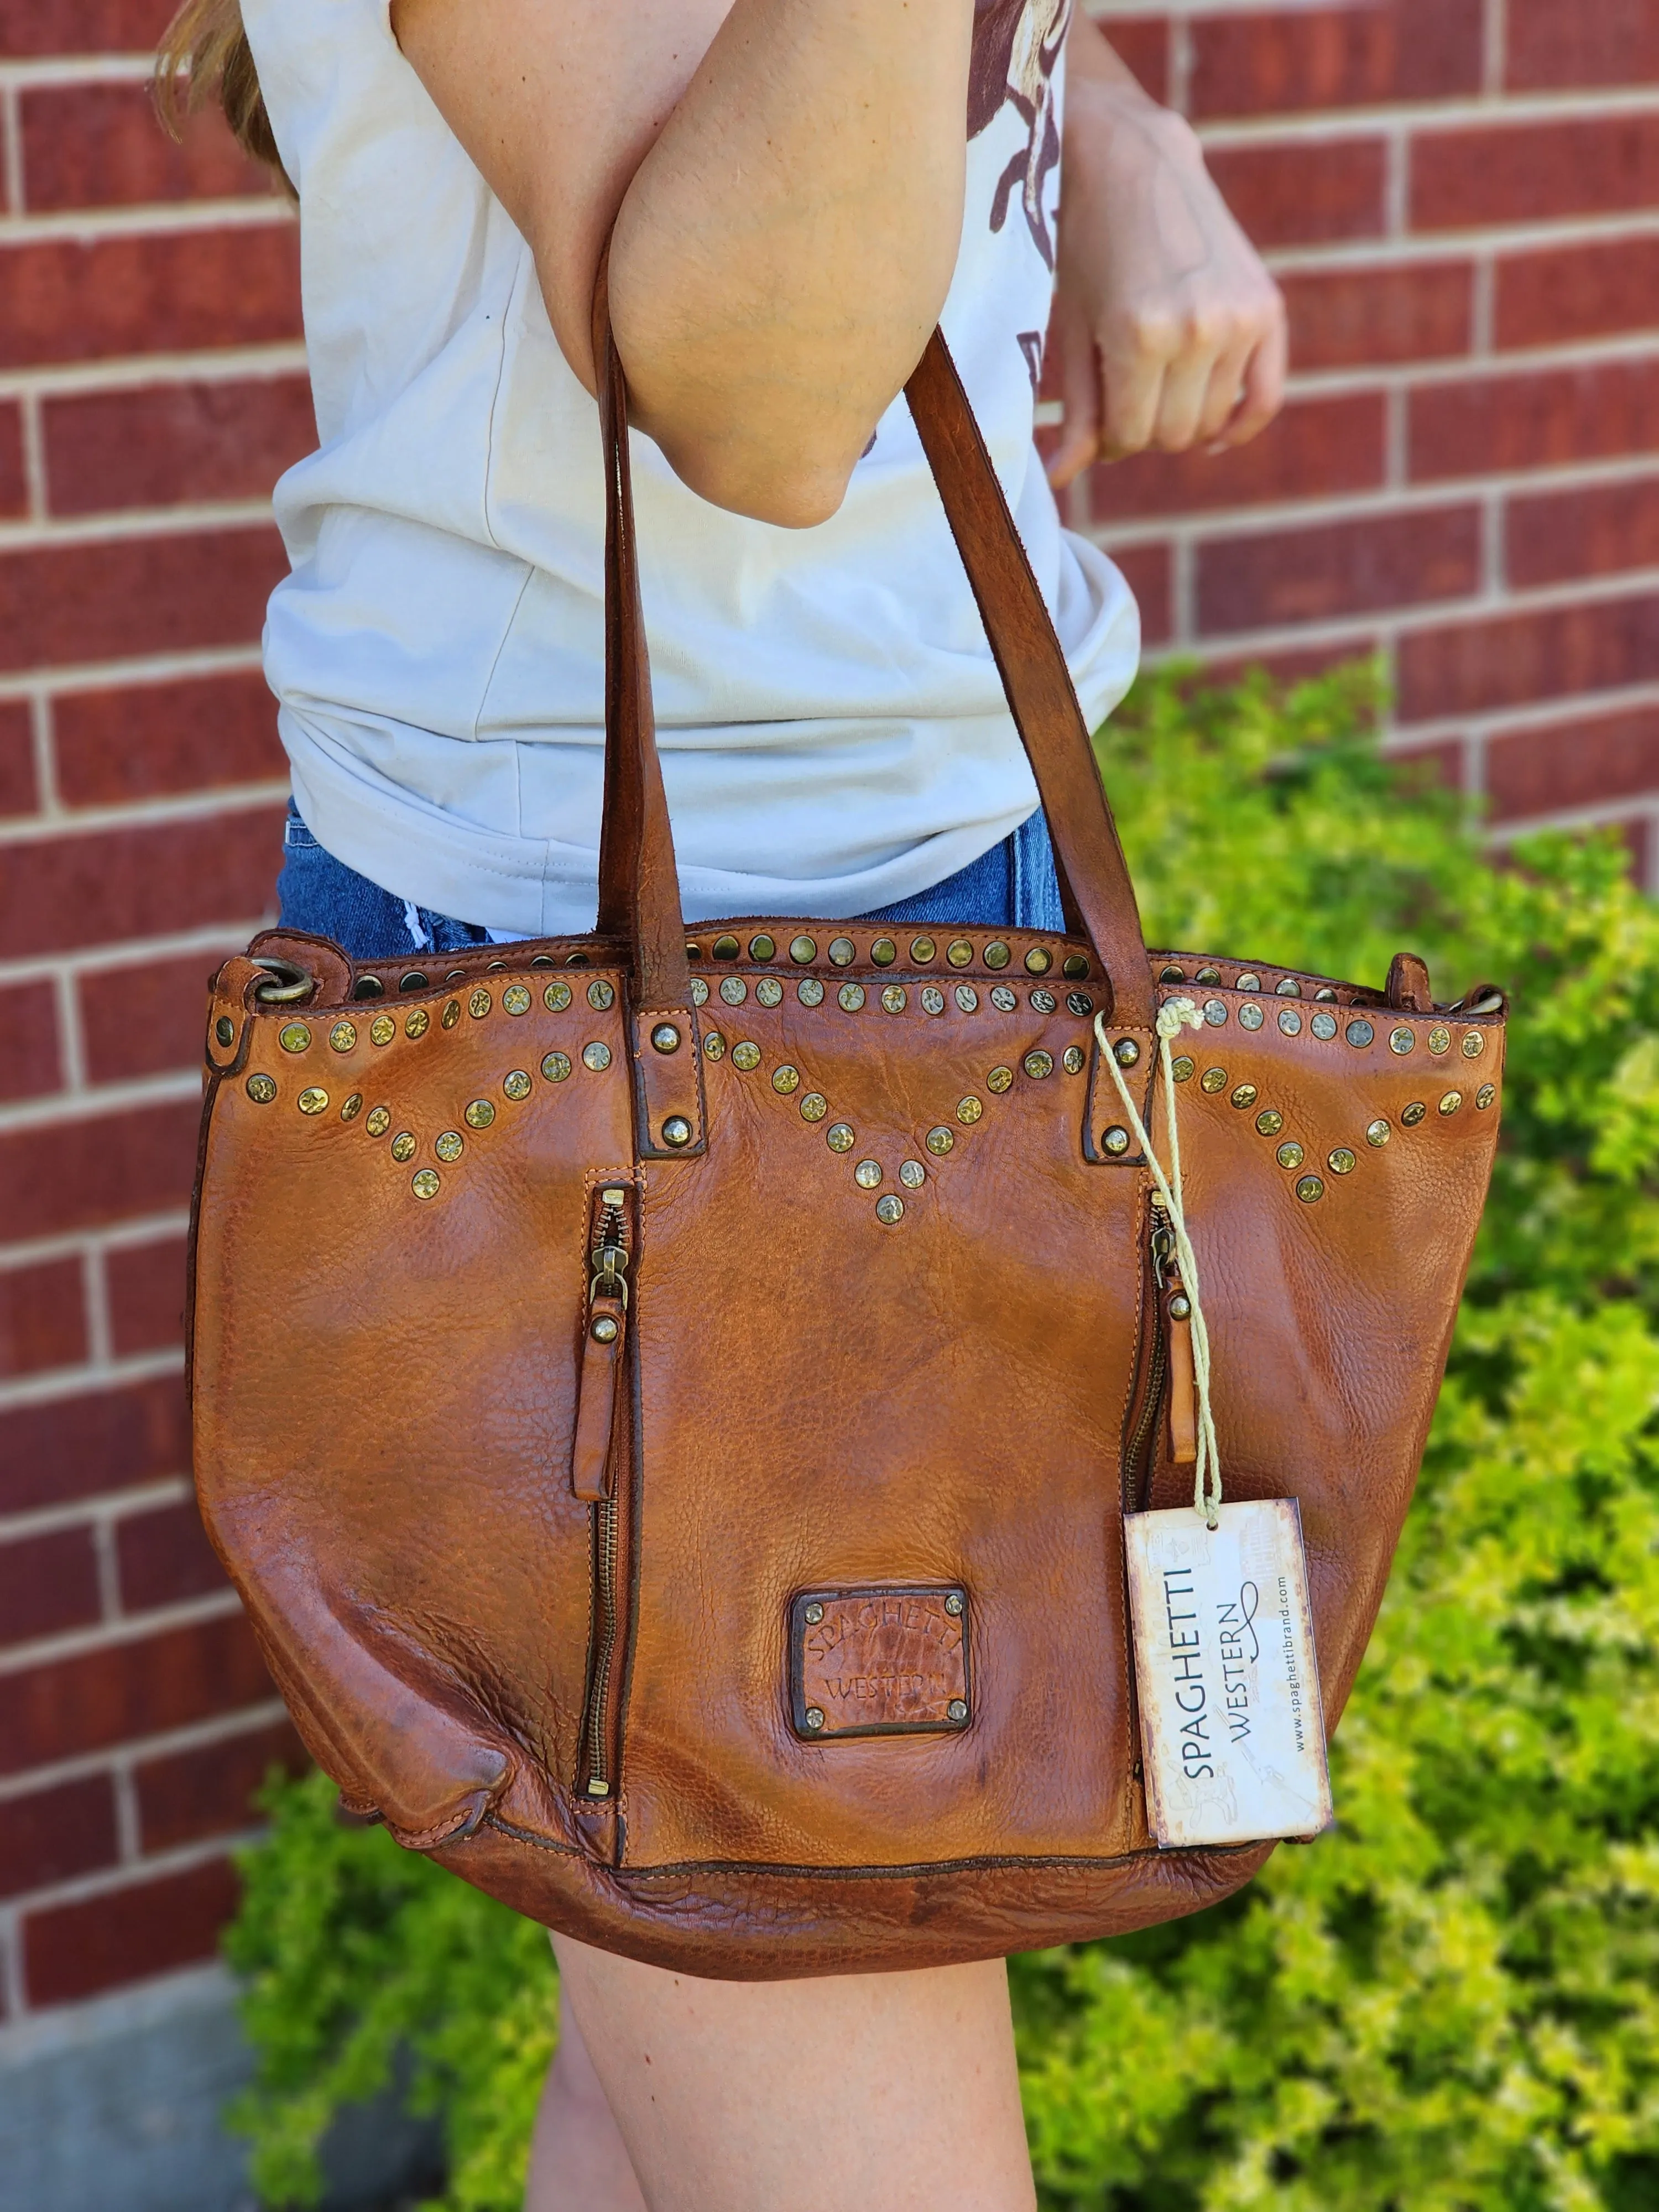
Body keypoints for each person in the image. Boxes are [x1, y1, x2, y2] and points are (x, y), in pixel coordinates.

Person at [159, 4, 1286, 2206]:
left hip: (908, 916)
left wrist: (1122, 134)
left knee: (665, 2080)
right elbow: (756, 404)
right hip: (638, 1024)